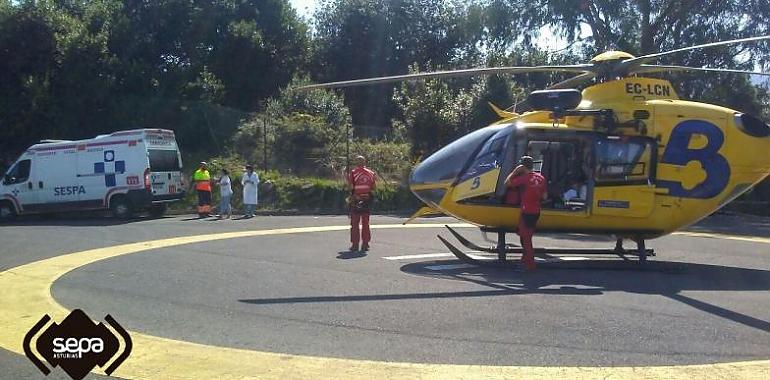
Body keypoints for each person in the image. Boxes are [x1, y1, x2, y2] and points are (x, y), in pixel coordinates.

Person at [505, 156, 547, 271]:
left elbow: (508, 183)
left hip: (526, 210)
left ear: (523, 166)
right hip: (536, 210)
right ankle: (525, 259)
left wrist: (514, 172)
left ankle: (530, 263)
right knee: (526, 237)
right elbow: (544, 196)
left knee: (526, 239)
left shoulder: (524, 178)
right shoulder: (541, 177)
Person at [347, 155, 376, 252]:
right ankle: (365, 244)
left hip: (356, 199)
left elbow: (350, 186)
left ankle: (355, 245)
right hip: (367, 200)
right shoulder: (371, 173)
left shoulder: (353, 173)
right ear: (365, 162)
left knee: (355, 223)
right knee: (365, 223)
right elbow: (374, 187)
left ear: (356, 163)